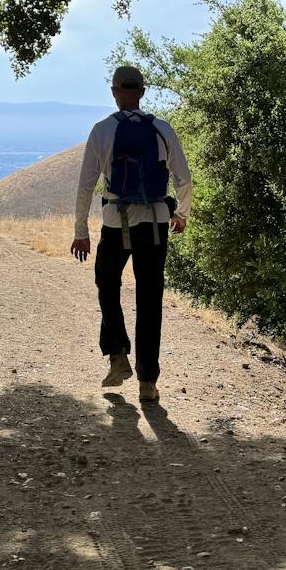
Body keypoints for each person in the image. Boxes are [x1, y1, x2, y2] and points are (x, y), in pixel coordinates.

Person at [70, 64, 192, 402]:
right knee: (150, 299)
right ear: (142, 91)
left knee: (106, 285)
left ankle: (118, 353)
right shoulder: (162, 129)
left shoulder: (102, 130)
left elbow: (84, 186)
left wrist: (81, 231)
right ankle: (148, 383)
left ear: (114, 92)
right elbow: (183, 177)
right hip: (154, 223)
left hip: (114, 222)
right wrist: (181, 214)